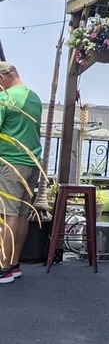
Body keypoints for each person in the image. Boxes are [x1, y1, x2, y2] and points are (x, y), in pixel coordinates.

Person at [0, 62, 42, 283]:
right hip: (31, 164)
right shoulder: (34, 98)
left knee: (8, 215)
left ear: (1, 79)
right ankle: (14, 265)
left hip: (11, 164)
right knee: (21, 215)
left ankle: (3, 268)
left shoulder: (4, 98)